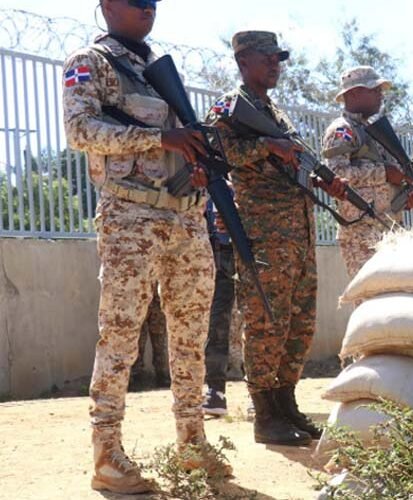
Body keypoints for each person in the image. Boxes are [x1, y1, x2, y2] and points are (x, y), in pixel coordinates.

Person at [63, 0, 229, 493]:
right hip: (131, 215)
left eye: (154, 2)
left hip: (186, 217)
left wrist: (196, 157)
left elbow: (182, 143)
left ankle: (193, 443)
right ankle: (107, 454)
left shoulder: (158, 70)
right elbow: (79, 131)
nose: (148, 9)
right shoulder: (90, 62)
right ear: (108, 6)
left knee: (190, 336)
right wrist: (159, 138)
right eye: (137, 1)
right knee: (120, 334)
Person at [205, 31, 346, 446]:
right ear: (243, 60)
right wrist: (266, 145)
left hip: (297, 233)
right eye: (267, 58)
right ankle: (265, 415)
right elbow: (217, 153)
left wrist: (322, 181)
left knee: (298, 323)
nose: (275, 65)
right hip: (264, 232)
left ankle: (286, 405)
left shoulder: (275, 112)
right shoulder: (230, 108)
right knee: (267, 320)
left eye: (278, 58)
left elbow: (290, 163)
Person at [321, 65, 412, 278]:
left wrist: (406, 191)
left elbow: (391, 177)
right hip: (361, 235)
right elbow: (335, 172)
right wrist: (384, 173)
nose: (380, 95)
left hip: (388, 230)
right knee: (369, 304)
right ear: (353, 93)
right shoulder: (342, 130)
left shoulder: (373, 131)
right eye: (374, 89)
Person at [202, 186, 236, 417]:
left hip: (238, 254)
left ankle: (262, 395)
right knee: (213, 326)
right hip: (209, 255)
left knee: (255, 323)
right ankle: (213, 391)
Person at [129, 288, 170, 389]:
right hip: (140, 304)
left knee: (160, 344)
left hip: (158, 305)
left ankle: (163, 376)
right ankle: (136, 377)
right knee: (138, 343)